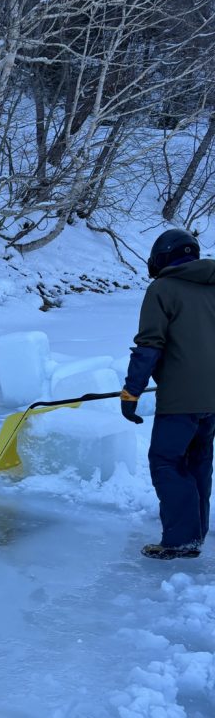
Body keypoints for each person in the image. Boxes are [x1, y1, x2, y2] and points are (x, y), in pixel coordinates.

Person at [121, 228, 215, 560]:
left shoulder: (163, 288)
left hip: (180, 400)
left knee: (166, 461)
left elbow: (149, 345)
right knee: (199, 461)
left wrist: (131, 393)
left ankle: (180, 539)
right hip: (211, 399)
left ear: (161, 258)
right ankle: (194, 533)